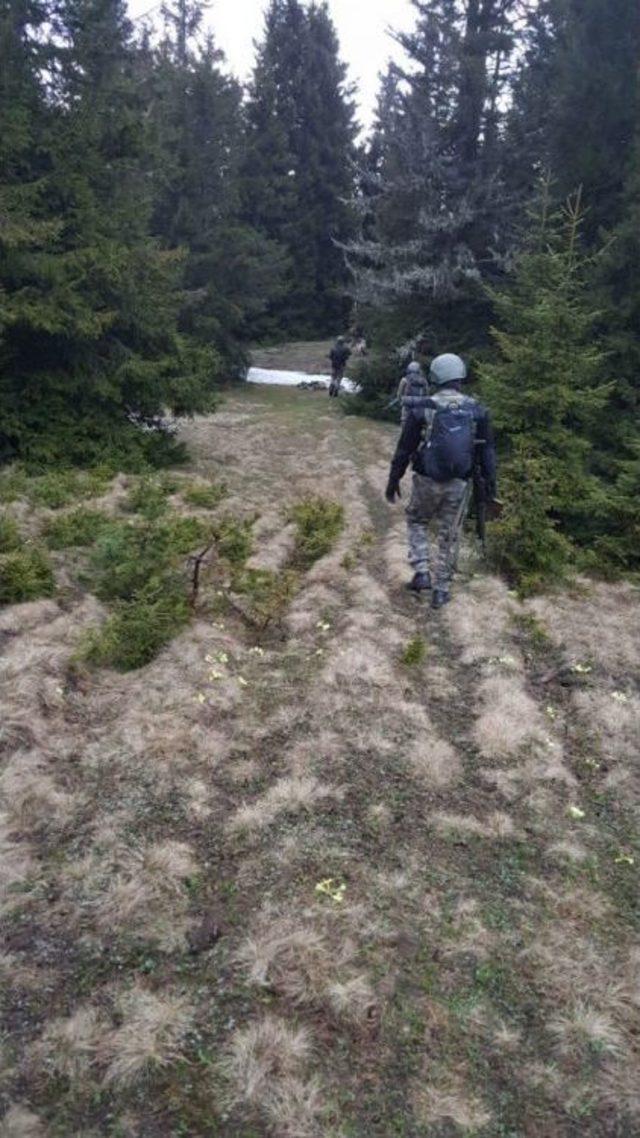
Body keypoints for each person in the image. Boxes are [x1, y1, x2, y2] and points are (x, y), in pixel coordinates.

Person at [385, 352, 497, 610]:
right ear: (460, 376)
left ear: (435, 377)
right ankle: (442, 590)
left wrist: (394, 479)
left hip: (426, 478)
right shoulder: (477, 409)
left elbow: (404, 449)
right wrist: (491, 484)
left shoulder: (423, 407)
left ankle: (422, 570)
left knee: (417, 519)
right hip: (459, 482)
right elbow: (488, 451)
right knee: (449, 533)